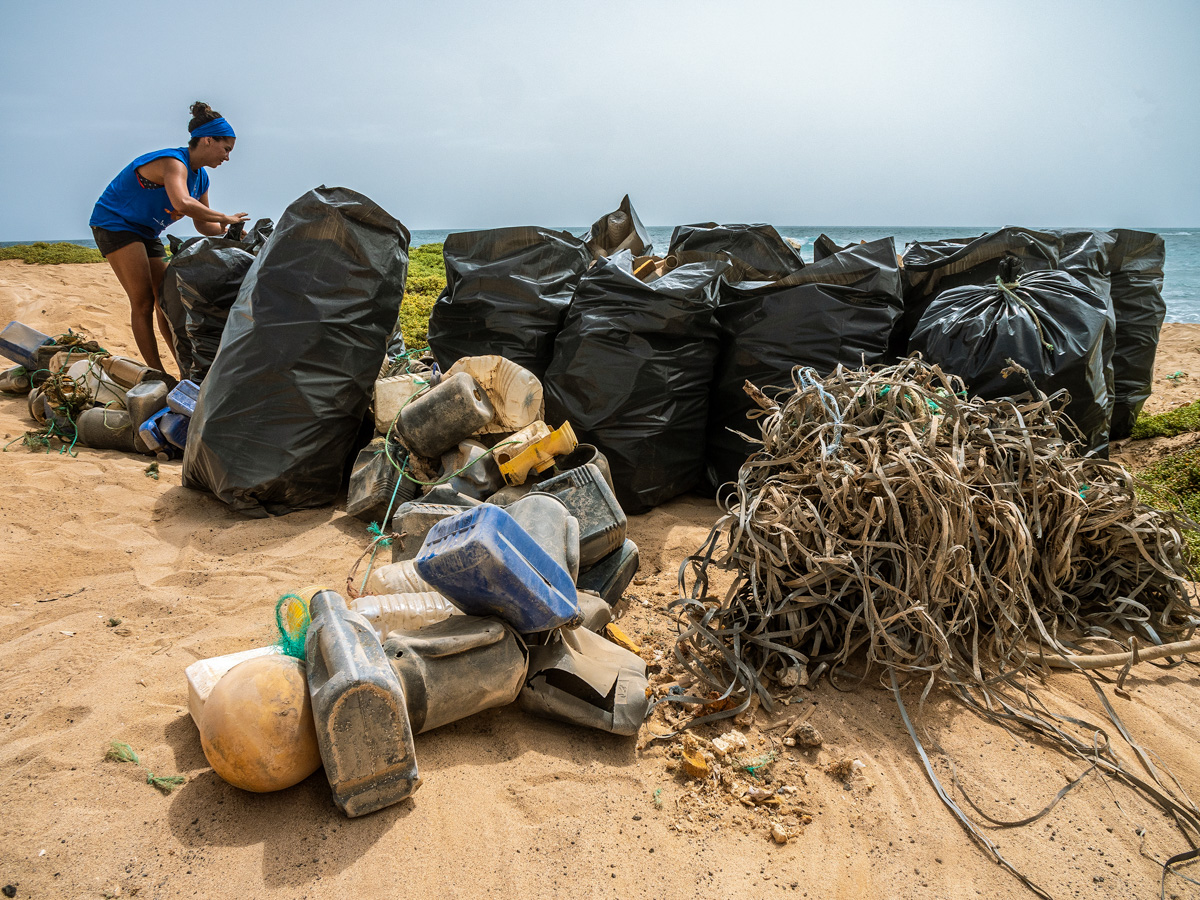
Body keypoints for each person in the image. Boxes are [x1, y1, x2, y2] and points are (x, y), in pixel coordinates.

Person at [89, 101, 248, 372]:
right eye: (226, 149)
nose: (227, 157)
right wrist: (224, 216)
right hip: (115, 224)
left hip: (147, 231)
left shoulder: (202, 179)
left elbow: (203, 224)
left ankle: (182, 368)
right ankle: (156, 374)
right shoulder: (174, 162)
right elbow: (183, 202)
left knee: (165, 302)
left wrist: (229, 231)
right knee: (143, 301)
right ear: (208, 140)